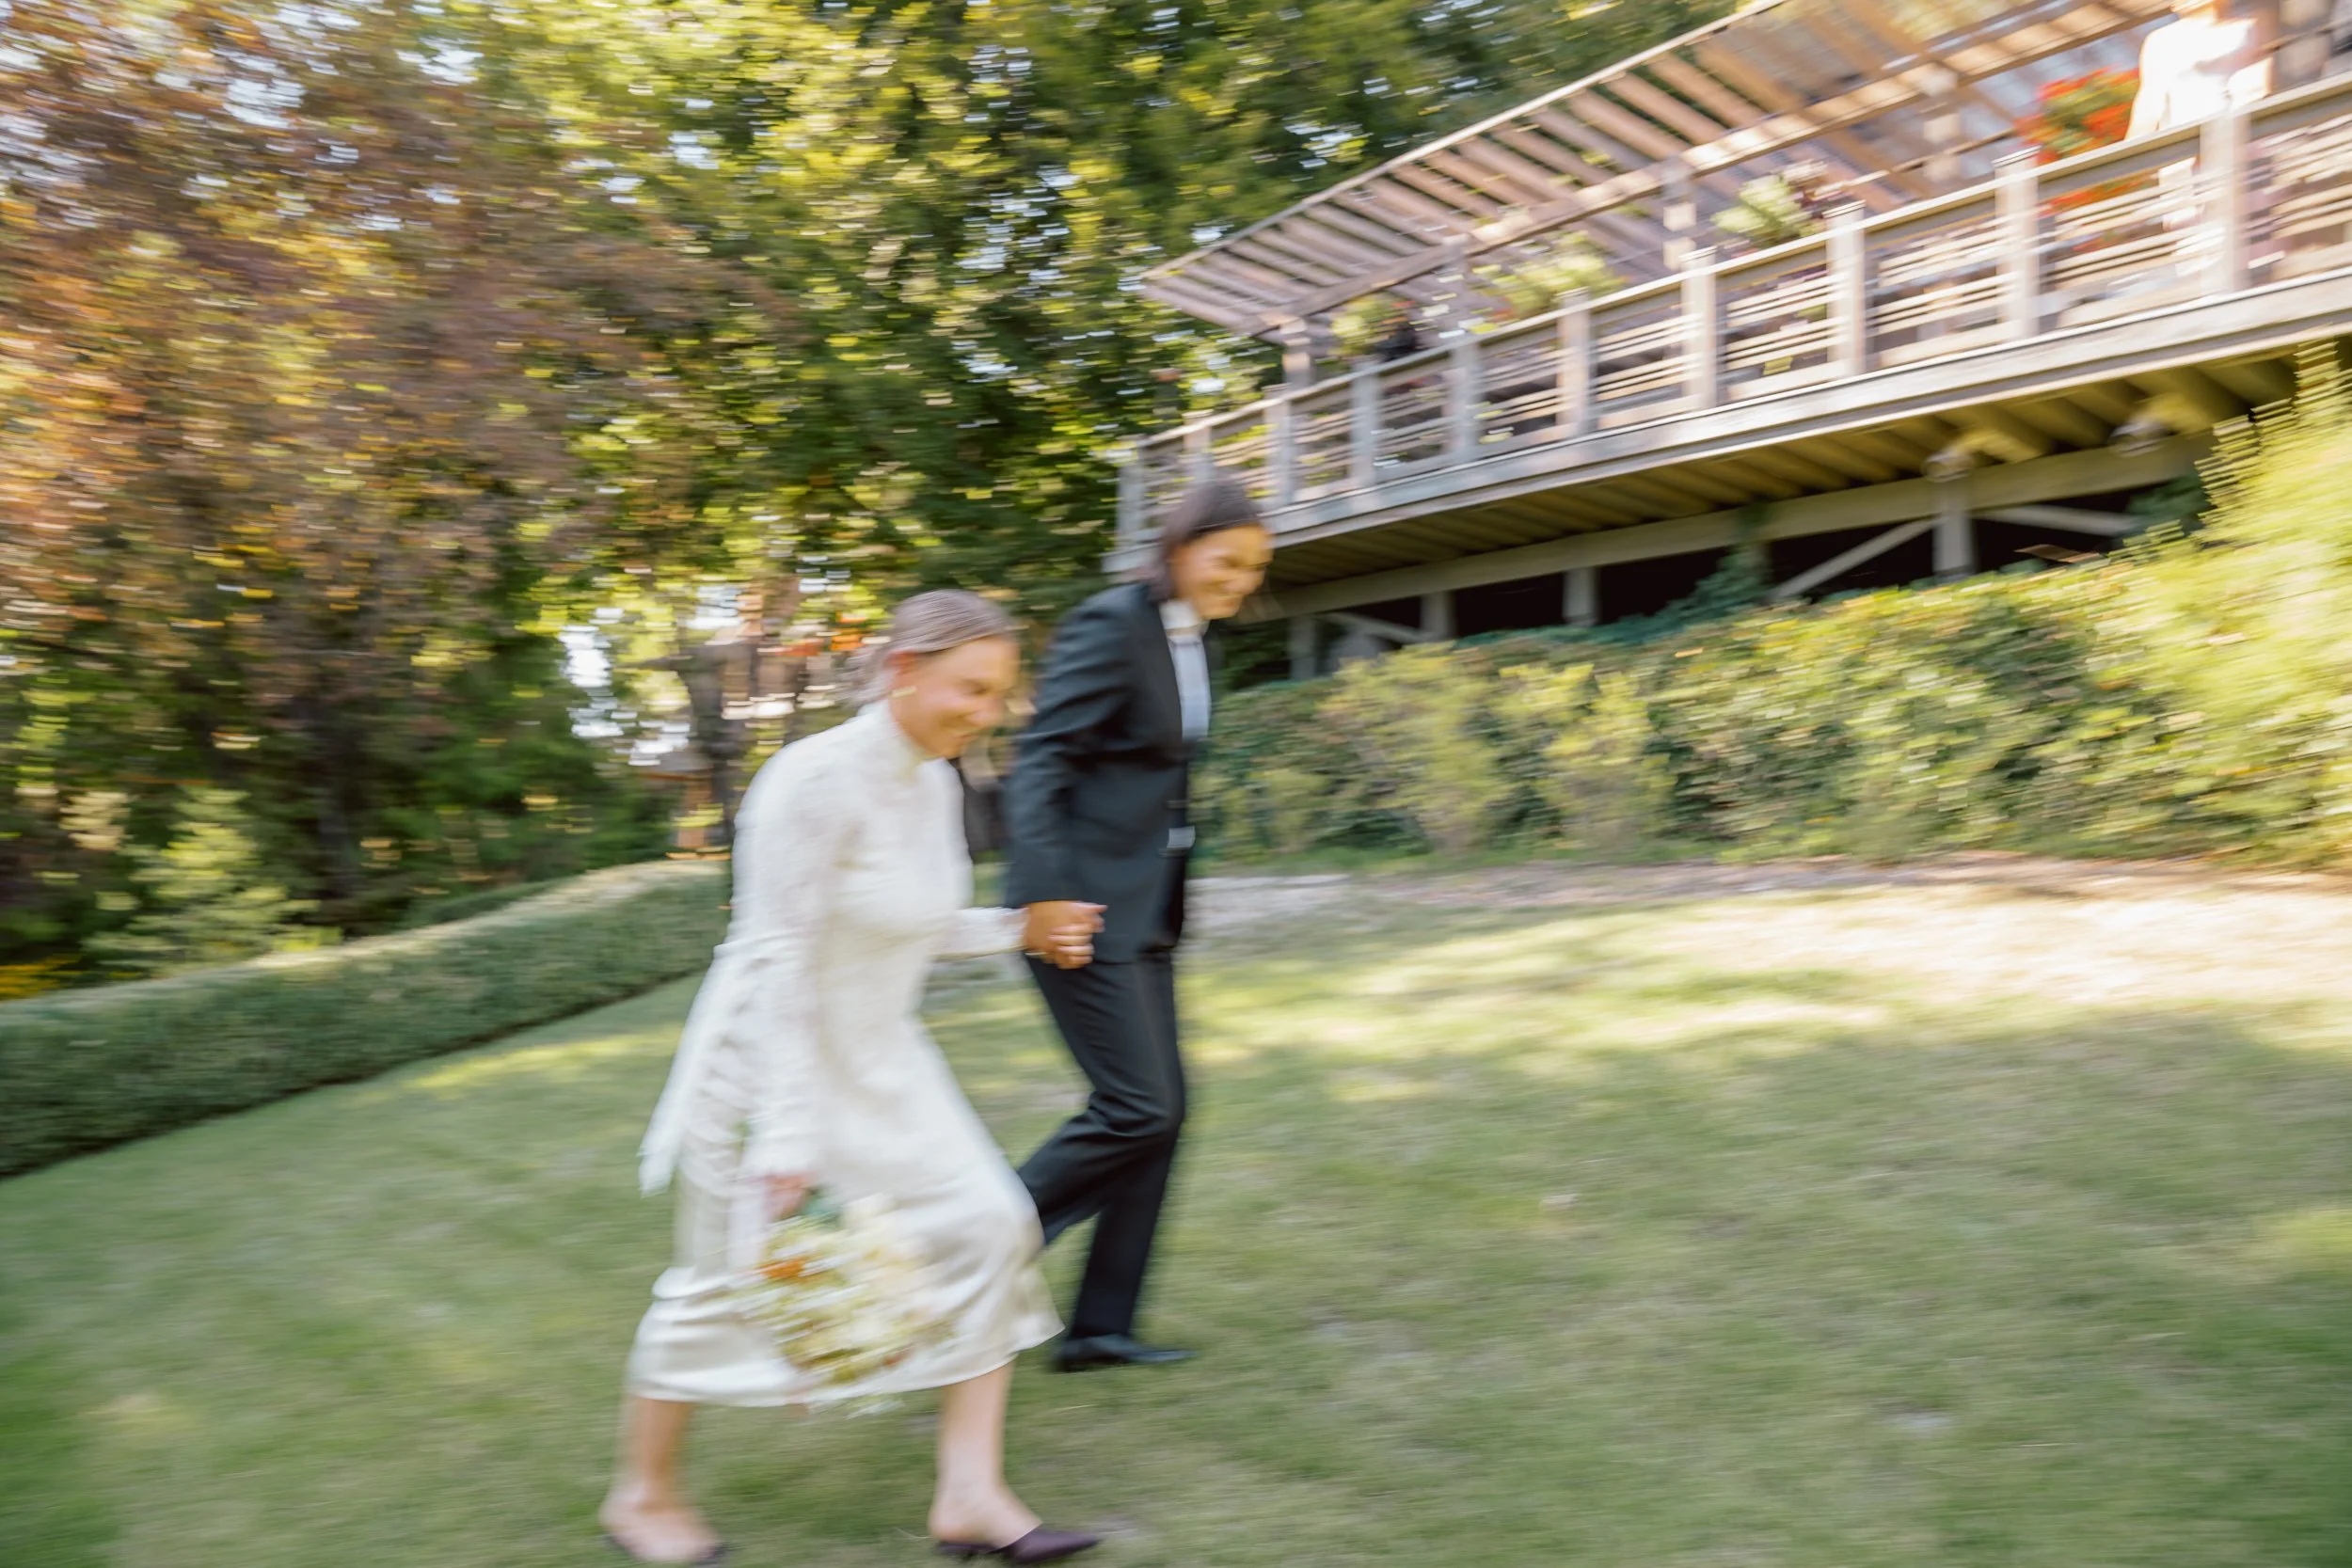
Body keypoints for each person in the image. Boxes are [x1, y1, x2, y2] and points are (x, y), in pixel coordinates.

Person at [604, 591, 1108, 1566]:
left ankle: (969, 1493)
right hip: (766, 1072)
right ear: (901, 670)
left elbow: (902, 922)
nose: (986, 712)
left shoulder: (930, 780)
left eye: (999, 694)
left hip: (882, 1061)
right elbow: (780, 959)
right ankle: (642, 1494)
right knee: (721, 1286)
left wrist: (1019, 926)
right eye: (972, 688)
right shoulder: (809, 781)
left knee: (994, 1223)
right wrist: (786, 1142)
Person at [1004, 476, 1275, 1372]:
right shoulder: (1112, 623)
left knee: (1165, 1114)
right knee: (1137, 1107)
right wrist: (1042, 895)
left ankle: (1098, 1328)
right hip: (1078, 908)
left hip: (1147, 907)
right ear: (1179, 548)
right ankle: (962, 1256)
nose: (1239, 580)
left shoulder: (1194, 640)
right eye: (1225, 560)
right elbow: (1041, 761)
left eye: (1254, 568)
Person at [2127, 0, 2271, 138]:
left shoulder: (2248, 29)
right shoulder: (2162, 40)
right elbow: (2150, 101)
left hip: (2240, 136)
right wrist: (2133, 152)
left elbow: (2257, 89)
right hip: (2184, 141)